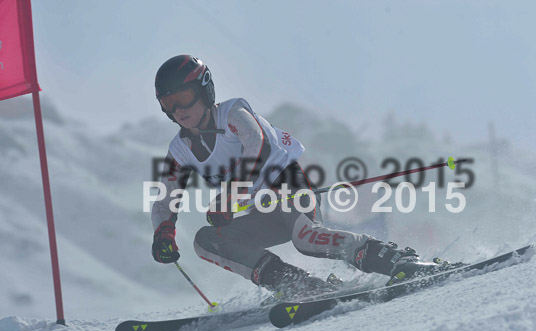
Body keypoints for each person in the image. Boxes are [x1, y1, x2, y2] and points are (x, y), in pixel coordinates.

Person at [151, 55, 426, 298]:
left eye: (184, 98)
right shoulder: (179, 150)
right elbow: (165, 198)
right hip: (263, 211)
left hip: (287, 185)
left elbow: (258, 145)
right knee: (206, 241)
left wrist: (231, 196)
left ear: (204, 90)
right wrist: (163, 233)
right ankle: (296, 284)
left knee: (306, 238)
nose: (178, 111)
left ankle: (394, 259)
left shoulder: (233, 113)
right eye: (168, 103)